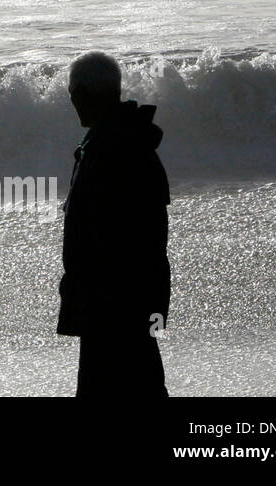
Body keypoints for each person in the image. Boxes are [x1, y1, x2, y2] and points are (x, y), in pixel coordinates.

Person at [57, 51, 171, 397]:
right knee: (142, 380)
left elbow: (106, 237)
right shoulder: (124, 142)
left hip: (113, 303)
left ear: (83, 94)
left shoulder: (108, 148)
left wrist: (90, 296)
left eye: (72, 93)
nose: (72, 101)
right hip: (132, 298)